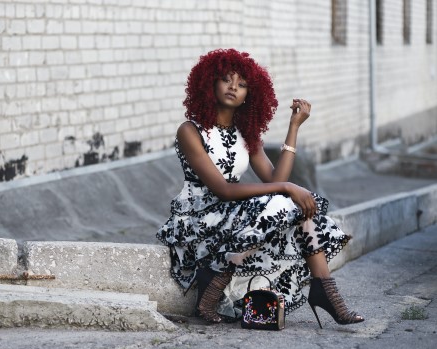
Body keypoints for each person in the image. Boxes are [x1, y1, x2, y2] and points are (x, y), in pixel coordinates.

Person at [156, 49, 364, 328]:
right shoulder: (190, 130)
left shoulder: (246, 135)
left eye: (242, 85)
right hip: (198, 219)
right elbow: (223, 191)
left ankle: (325, 290)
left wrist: (293, 127)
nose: (233, 88)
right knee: (284, 200)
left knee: (291, 205)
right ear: (210, 84)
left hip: (233, 216)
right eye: (227, 80)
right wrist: (289, 187)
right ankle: (215, 286)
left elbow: (274, 178)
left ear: (249, 96)